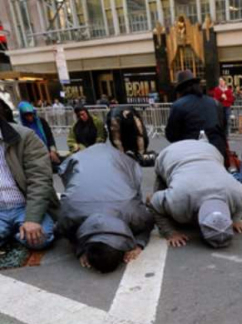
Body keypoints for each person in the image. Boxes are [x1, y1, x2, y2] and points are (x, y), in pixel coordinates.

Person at [58, 143, 154, 273]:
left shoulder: (131, 210)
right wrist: (80, 250)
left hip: (116, 160)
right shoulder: (70, 210)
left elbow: (148, 222)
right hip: (83, 160)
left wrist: (138, 245)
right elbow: (63, 230)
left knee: (132, 190)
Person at [148, 140, 242, 248]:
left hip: (209, 150)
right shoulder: (179, 200)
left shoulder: (238, 195)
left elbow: (239, 207)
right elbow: (153, 203)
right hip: (171, 154)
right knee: (160, 203)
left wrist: (235, 220)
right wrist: (170, 232)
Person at [0, 114, 59, 251]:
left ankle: (11, 233)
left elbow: (40, 180)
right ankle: (12, 232)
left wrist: (32, 218)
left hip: (25, 206)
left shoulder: (25, 136)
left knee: (39, 239)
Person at [165, 70, 227, 157]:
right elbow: (223, 128)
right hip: (217, 152)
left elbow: (171, 135)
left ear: (180, 90)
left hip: (191, 154)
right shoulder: (214, 103)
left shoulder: (178, 105)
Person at [17, 102, 60, 168]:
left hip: (48, 153)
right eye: (26, 115)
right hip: (34, 158)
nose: (29, 117)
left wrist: (53, 151)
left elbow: (50, 137)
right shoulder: (21, 128)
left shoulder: (41, 122)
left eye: (31, 114)